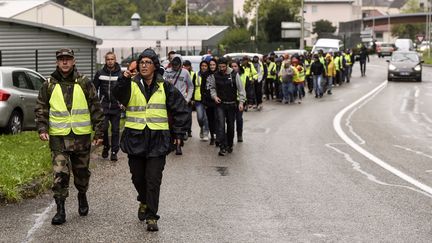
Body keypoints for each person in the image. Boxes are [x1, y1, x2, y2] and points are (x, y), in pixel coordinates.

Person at [113, 48, 189, 231]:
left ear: (155, 66)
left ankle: (152, 216)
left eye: (148, 62)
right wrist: (123, 79)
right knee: (138, 178)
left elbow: (182, 109)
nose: (144, 65)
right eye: (142, 62)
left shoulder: (166, 87)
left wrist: (178, 133)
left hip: (158, 140)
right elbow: (118, 95)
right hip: (135, 139)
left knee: (153, 179)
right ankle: (144, 200)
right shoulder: (130, 84)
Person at [34, 48, 104, 225]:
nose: (64, 62)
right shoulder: (49, 84)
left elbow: (95, 106)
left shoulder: (84, 82)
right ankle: (60, 209)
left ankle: (82, 194)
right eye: (61, 59)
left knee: (81, 172)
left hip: (81, 137)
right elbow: (41, 108)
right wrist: (42, 128)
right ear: (57, 62)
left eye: (68, 59)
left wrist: (100, 131)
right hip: (59, 137)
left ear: (74, 61)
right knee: (60, 173)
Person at [208, 57, 246, 156]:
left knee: (230, 126)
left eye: (223, 67)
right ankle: (222, 146)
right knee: (220, 125)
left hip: (231, 104)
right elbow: (212, 88)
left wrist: (241, 102)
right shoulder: (215, 75)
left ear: (227, 65)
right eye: (220, 67)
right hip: (220, 104)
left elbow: (241, 89)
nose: (222, 69)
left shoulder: (234, 74)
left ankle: (229, 144)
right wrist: (214, 96)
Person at [93, 51, 123, 161]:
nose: (110, 61)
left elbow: (124, 90)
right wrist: (96, 103)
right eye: (108, 59)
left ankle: (114, 151)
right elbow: (94, 89)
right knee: (104, 129)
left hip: (116, 106)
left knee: (115, 130)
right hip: (104, 106)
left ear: (115, 60)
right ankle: (106, 146)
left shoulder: (120, 74)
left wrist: (122, 102)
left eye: (112, 59)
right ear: (105, 61)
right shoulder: (100, 73)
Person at [163, 55, 193, 142]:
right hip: (169, 101)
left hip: (181, 101)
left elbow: (191, 87)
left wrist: (188, 99)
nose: (175, 67)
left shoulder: (185, 72)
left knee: (181, 121)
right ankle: (173, 139)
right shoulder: (167, 72)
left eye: (177, 65)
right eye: (173, 65)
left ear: (181, 64)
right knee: (171, 121)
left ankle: (180, 140)